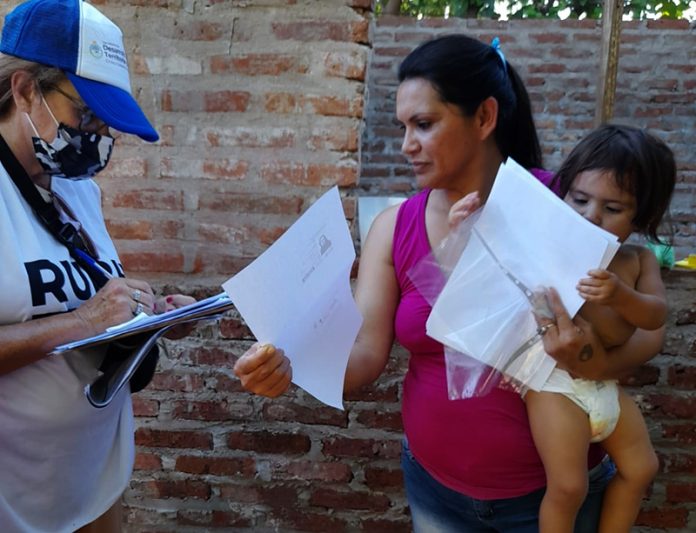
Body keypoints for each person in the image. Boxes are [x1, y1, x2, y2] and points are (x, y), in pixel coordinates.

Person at [233, 34, 665, 532]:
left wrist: (592, 361)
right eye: (403, 127)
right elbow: (365, 355)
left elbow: (646, 326)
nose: (406, 145)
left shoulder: (563, 204)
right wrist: (291, 365)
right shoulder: (394, 228)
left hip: (550, 501)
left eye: (424, 124)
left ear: (484, 117)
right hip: (437, 495)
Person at [0, 1, 195, 531]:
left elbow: (86, 296)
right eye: (86, 115)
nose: (98, 136)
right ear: (24, 90)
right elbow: (82, 317)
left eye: (105, 123)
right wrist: (84, 321)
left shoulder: (77, 190)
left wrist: (150, 316)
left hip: (92, 483)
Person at [523, 125, 674, 533]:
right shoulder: (549, 249)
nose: (591, 215)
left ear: (640, 215)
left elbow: (655, 315)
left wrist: (621, 295)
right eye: (580, 200)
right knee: (569, 487)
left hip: (605, 386)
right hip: (554, 387)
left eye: (612, 208)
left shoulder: (638, 260)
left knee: (642, 468)